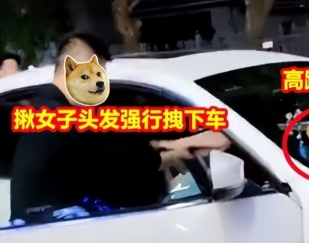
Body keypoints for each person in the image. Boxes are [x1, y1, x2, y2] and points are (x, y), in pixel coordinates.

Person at [9, 32, 230, 224]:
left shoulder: (47, 111)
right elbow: (123, 160)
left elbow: (116, 151)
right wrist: (185, 145)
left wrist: (173, 148)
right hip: (58, 242)